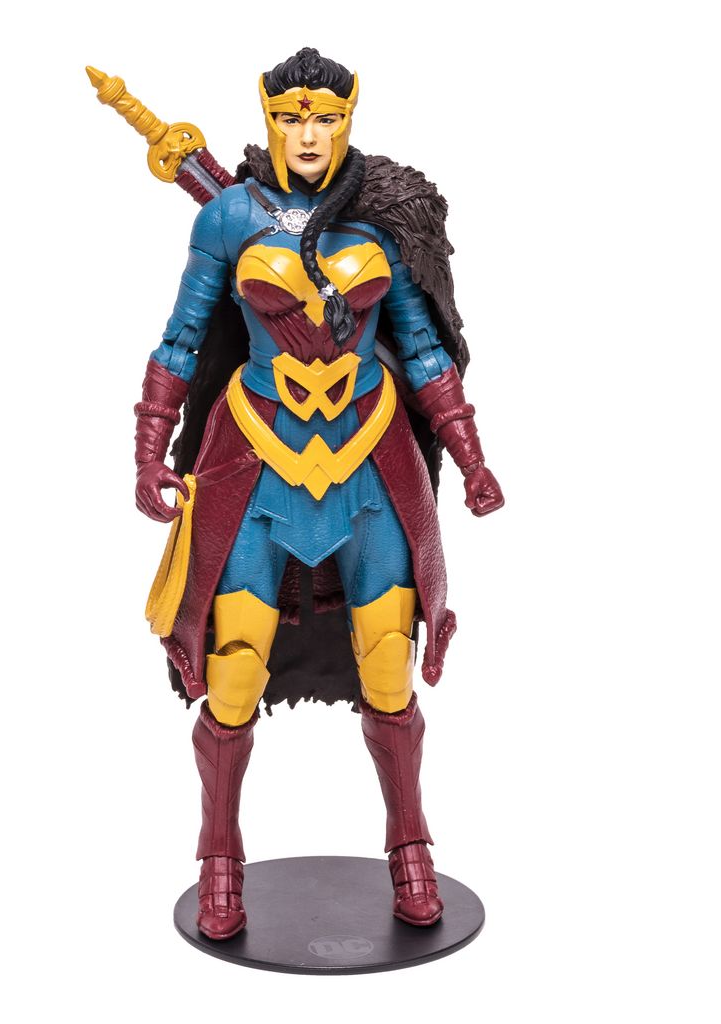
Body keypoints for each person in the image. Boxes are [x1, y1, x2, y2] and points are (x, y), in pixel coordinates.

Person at [133, 47, 503, 941]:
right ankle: (219, 854)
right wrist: (147, 451)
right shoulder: (229, 217)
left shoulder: (378, 220)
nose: (308, 135)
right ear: (269, 119)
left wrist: (471, 453)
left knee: (389, 662)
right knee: (232, 672)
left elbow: (421, 347)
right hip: (254, 461)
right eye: (293, 118)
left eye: (326, 119)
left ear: (349, 119)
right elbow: (182, 338)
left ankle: (408, 843)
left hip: (370, 460)